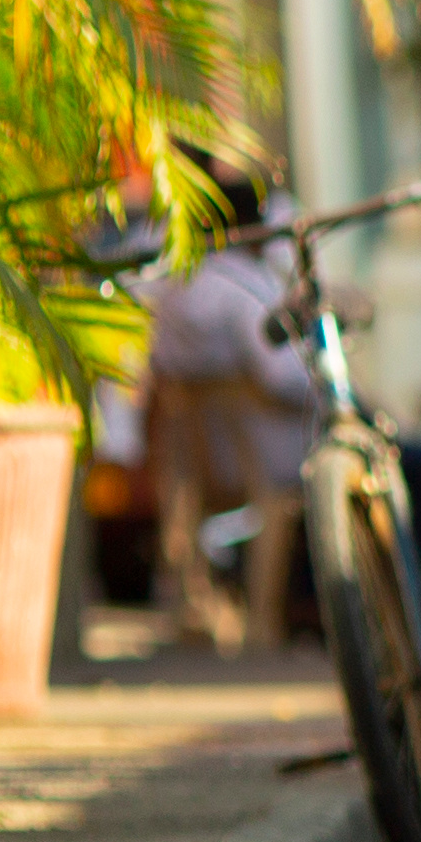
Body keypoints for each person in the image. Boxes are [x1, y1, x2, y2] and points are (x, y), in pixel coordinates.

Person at [146, 169, 324, 650]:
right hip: (254, 452)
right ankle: (267, 619)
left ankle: (192, 608)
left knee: (185, 492)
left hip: (193, 448)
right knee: (287, 491)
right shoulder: (246, 289)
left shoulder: (174, 282)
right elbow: (281, 376)